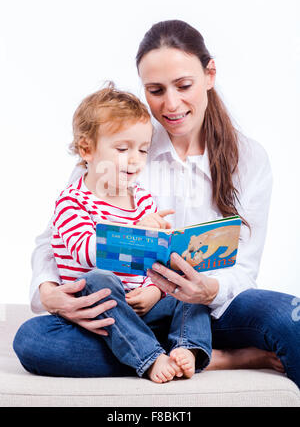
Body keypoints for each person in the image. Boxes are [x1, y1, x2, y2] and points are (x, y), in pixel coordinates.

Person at [13, 20, 300, 389]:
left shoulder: (249, 159)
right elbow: (57, 238)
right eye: (155, 90)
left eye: (183, 86)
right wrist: (49, 293)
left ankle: (178, 349)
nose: (171, 104)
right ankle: (199, 356)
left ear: (209, 74)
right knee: (34, 341)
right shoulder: (119, 143)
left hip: (202, 307)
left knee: (291, 319)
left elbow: (243, 267)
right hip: (124, 311)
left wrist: (203, 289)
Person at [14, 82, 213, 383]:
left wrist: (154, 288)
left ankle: (187, 349)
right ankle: (149, 355)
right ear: (87, 149)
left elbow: (153, 264)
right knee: (96, 281)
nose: (135, 159)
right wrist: (138, 233)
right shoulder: (72, 201)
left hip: (142, 308)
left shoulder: (144, 200)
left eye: (143, 150)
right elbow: (87, 251)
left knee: (187, 289)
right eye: (122, 149)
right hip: (99, 313)